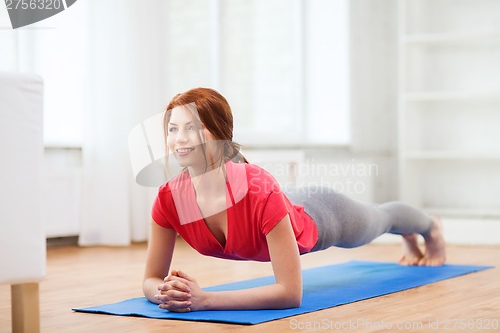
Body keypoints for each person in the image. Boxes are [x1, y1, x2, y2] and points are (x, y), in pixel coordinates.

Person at [143, 88, 446, 313]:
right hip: (281, 203)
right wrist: (168, 292)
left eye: (192, 127)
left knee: (381, 219)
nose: (179, 138)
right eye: (173, 129)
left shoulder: (259, 189)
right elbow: (151, 279)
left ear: (221, 134)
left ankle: (430, 227)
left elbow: (289, 294)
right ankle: (410, 233)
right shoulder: (169, 199)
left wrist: (204, 299)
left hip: (321, 213)